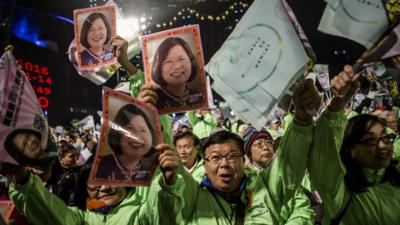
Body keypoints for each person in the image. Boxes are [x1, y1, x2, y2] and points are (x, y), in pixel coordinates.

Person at [153, 78, 321, 224]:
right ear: (204, 163)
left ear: (243, 160)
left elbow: (288, 166)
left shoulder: (265, 186)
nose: (224, 164)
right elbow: (167, 214)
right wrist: (153, 110)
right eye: (216, 158)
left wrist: (302, 120)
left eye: (232, 156)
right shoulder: (192, 197)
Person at [309, 65, 400, 225]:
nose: (383, 146)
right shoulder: (340, 193)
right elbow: (324, 157)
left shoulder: (396, 179)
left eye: (386, 138)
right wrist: (337, 106)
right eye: (371, 141)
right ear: (351, 150)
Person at [95, 103, 158, 183]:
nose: (137, 136)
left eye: (143, 130)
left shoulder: (152, 172)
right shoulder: (99, 166)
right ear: (116, 133)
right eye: (130, 129)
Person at [151, 36, 204, 109]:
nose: (177, 66)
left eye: (181, 59)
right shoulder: (153, 99)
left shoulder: (199, 95)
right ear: (158, 67)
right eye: (168, 61)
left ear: (191, 61)